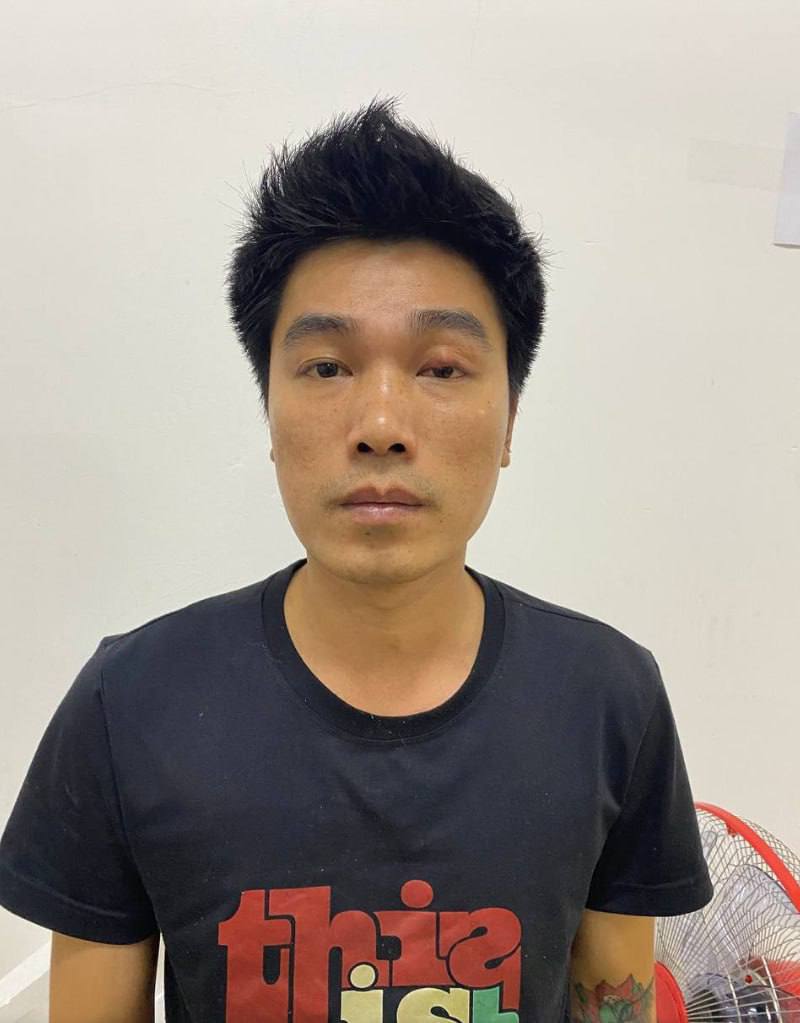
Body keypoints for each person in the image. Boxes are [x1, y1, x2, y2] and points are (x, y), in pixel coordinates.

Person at [0, 95, 712, 1022]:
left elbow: (616, 1001)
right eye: (328, 366)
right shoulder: (128, 702)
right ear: (269, 409)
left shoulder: (610, 698)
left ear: (510, 418)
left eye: (442, 367)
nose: (380, 425)